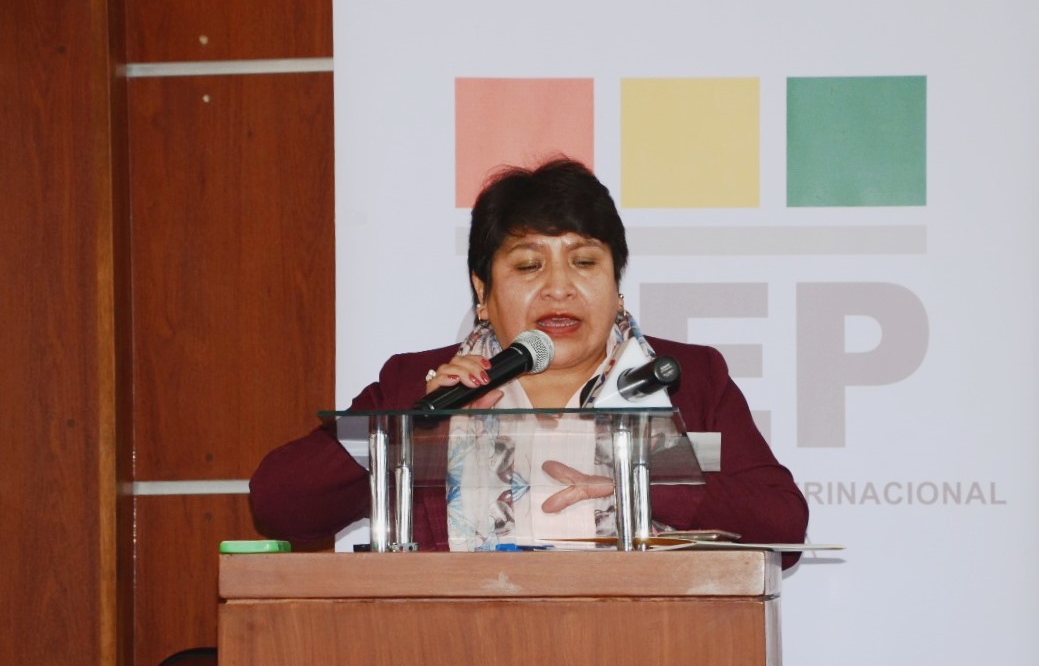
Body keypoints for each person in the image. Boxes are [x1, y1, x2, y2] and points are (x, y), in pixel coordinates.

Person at [250, 158, 809, 567]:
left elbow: (784, 525)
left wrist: (638, 481)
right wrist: (414, 426)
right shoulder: (418, 386)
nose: (559, 287)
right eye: (528, 266)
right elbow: (281, 504)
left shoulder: (687, 380)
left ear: (617, 285)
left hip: (650, 665)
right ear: (483, 292)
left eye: (584, 262)